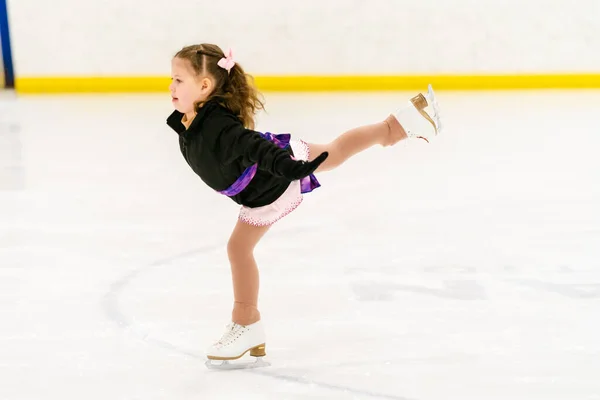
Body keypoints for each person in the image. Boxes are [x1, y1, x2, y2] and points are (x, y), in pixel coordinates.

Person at [166, 43, 442, 367]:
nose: (171, 86)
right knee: (332, 154)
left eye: (178, 80)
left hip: (271, 180)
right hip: (261, 183)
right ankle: (401, 123)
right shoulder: (193, 118)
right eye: (171, 79)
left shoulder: (219, 126)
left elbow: (252, 145)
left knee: (242, 247)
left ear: (204, 86)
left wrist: (286, 167)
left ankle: (246, 323)